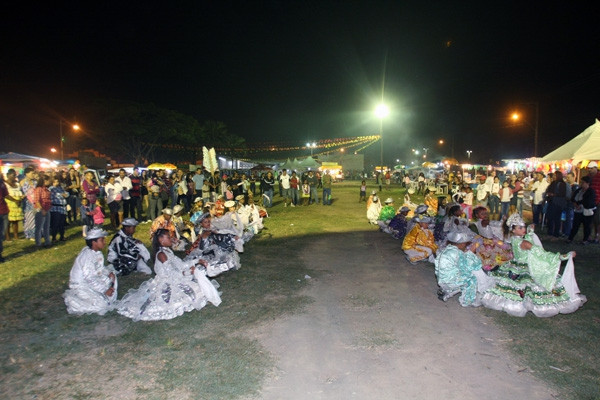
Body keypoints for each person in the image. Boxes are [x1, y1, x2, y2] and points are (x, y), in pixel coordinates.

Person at [481, 213, 586, 317]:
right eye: (520, 228)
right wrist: (561, 256)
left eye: (524, 227)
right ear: (513, 230)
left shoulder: (513, 239)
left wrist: (530, 231)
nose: (524, 229)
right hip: (525, 267)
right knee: (532, 285)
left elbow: (527, 236)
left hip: (514, 265)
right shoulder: (525, 243)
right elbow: (542, 254)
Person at [117, 228, 221, 321]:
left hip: (174, 277)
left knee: (198, 286)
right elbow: (172, 274)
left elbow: (181, 265)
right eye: (168, 237)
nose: (171, 239)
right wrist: (189, 272)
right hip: (167, 282)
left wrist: (197, 261)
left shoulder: (167, 252)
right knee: (189, 294)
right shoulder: (162, 255)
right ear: (161, 240)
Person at [63, 228, 118, 315]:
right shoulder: (87, 256)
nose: (104, 242)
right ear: (94, 242)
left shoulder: (96, 252)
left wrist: (108, 273)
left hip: (92, 279)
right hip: (82, 284)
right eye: (102, 240)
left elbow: (100, 268)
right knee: (102, 305)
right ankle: (76, 300)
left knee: (112, 277)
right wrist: (104, 290)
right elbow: (89, 278)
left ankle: (104, 295)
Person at [435, 230, 493, 306]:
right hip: (449, 281)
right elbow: (470, 265)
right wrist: (471, 251)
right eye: (465, 244)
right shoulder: (457, 253)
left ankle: (447, 293)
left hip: (441, 279)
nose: (465, 245)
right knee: (471, 279)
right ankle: (466, 301)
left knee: (463, 277)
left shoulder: (447, 250)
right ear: (461, 244)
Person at [567, 176, 596, 244]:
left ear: (587, 183)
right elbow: (573, 198)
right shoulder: (579, 190)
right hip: (578, 211)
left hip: (587, 211)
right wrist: (575, 204)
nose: (581, 184)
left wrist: (580, 203)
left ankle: (585, 240)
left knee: (586, 226)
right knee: (575, 225)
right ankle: (570, 238)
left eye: (583, 182)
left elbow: (588, 201)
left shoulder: (591, 191)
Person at [545, 171, 568, 239]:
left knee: (556, 219)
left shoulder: (562, 184)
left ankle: (555, 235)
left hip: (557, 204)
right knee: (549, 218)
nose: (554, 176)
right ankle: (550, 233)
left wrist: (553, 194)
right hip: (551, 202)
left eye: (555, 175)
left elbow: (563, 194)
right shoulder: (553, 183)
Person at [33, 174, 52, 248]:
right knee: (39, 227)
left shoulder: (46, 189)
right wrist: (42, 209)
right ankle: (38, 243)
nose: (49, 182)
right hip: (40, 209)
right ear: (44, 181)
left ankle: (47, 241)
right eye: (48, 180)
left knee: (46, 226)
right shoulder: (39, 189)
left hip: (47, 209)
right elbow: (37, 200)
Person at [4, 169, 23, 241]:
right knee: (8, 221)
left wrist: (20, 199)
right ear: (8, 175)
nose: (14, 177)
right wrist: (15, 200)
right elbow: (5, 195)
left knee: (16, 221)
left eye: (15, 175)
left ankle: (16, 236)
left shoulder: (17, 184)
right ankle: (8, 237)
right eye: (13, 175)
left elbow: (19, 192)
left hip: (17, 203)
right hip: (9, 203)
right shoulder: (5, 184)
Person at [49, 177, 69, 242]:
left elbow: (66, 193)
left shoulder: (60, 188)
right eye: (55, 182)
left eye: (57, 181)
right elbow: (52, 197)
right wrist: (61, 195)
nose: (56, 183)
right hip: (55, 208)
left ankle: (62, 236)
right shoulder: (51, 189)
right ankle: (54, 237)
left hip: (63, 208)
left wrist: (66, 194)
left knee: (62, 223)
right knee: (55, 223)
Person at [20, 167, 37, 240]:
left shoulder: (35, 182)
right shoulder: (22, 182)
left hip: (36, 202)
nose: (33, 175)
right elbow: (21, 192)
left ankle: (36, 233)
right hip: (27, 203)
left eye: (34, 173)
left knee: (36, 218)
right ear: (26, 174)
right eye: (32, 173)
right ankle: (30, 234)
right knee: (29, 219)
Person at [586, 161, 600, 243]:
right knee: (589, 219)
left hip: (598, 200)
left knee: (597, 220)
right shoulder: (588, 177)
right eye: (589, 169)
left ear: (595, 168)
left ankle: (597, 235)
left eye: (591, 168)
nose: (589, 170)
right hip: (590, 201)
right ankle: (589, 235)